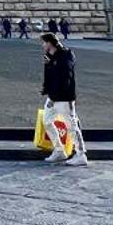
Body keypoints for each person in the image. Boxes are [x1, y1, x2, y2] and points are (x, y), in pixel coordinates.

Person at [40, 32, 86, 166]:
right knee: (47, 121)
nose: (42, 45)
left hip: (64, 97)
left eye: (43, 42)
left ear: (49, 43)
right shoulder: (51, 57)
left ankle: (81, 154)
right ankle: (59, 150)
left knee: (71, 125)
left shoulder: (66, 55)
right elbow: (50, 76)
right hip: (53, 96)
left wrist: (56, 95)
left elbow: (65, 78)